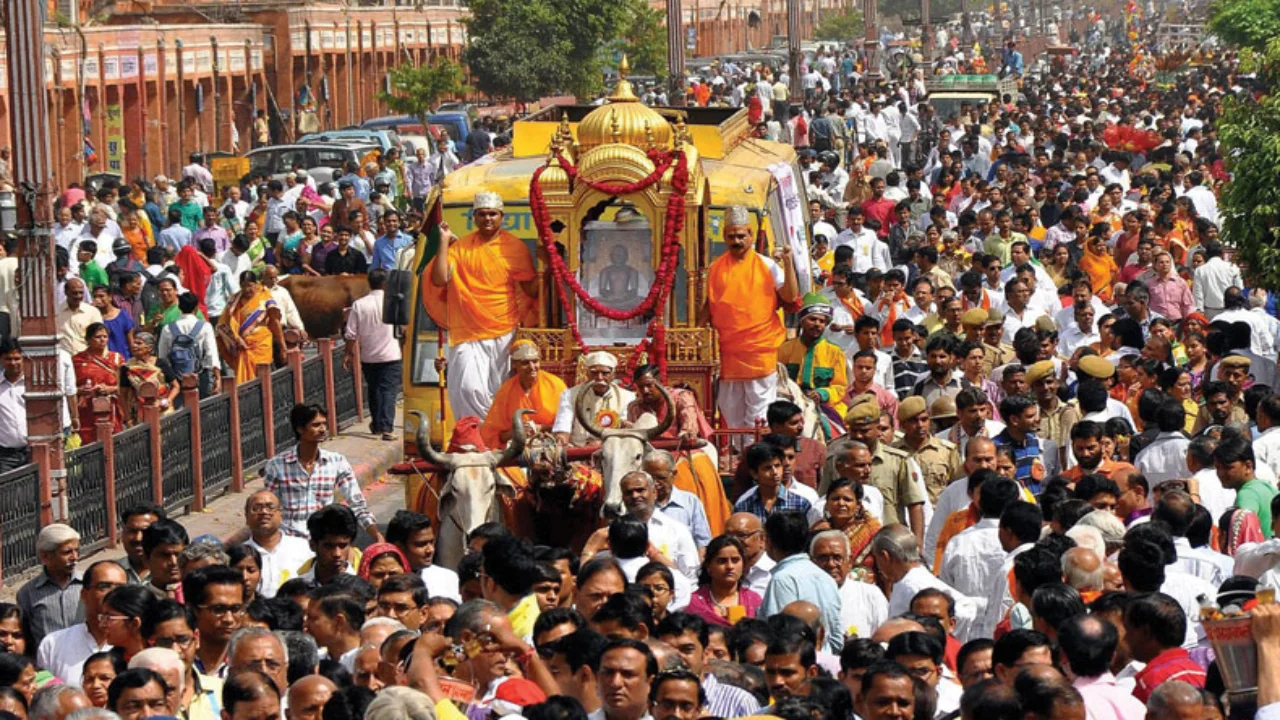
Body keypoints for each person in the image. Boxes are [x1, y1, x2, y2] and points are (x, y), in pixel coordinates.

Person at [424, 191, 537, 421]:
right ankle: (474, 436)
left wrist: (550, 267)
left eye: (492, 214)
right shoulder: (461, 247)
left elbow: (530, 290)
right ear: (474, 217)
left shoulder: (514, 247)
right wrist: (444, 242)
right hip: (467, 331)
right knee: (468, 388)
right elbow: (439, 279)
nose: (488, 219)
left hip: (505, 330)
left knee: (501, 390)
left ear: (501, 217)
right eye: (482, 214)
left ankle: (495, 437)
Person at [705, 204, 800, 428]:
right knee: (730, 412)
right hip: (727, 353)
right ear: (724, 237)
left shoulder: (767, 265)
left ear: (751, 235)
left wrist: (787, 263)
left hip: (759, 352)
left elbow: (790, 295)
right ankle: (739, 457)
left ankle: (754, 457)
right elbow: (706, 308)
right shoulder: (715, 268)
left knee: (758, 414)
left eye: (741, 236)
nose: (736, 241)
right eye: (731, 237)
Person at [261, 404, 382, 542]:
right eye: (316, 425)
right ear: (300, 429)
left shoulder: (336, 462)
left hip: (323, 543)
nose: (323, 429)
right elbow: (268, 507)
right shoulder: (277, 465)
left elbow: (357, 503)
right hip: (289, 541)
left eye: (324, 424)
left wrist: (376, 535)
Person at [759, 510, 842, 652]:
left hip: (797, 664)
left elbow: (779, 637)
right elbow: (836, 638)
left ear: (770, 542)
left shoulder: (782, 579)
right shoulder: (826, 578)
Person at [37, 560, 126, 688]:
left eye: (120, 588)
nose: (113, 593)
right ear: (84, 594)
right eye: (104, 586)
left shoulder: (134, 642)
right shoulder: (53, 644)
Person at [344, 269, 401, 441]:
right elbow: (403, 328)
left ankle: (377, 425)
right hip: (391, 355)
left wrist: (348, 353)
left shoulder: (359, 305)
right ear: (385, 284)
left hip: (368, 356)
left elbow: (351, 334)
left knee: (374, 390)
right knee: (388, 391)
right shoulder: (393, 303)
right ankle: (387, 428)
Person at [777, 294, 849, 428]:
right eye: (813, 319)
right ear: (802, 321)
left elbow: (840, 387)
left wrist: (822, 394)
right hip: (789, 404)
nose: (817, 324)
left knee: (833, 430)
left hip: (823, 406)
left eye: (822, 321)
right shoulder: (785, 349)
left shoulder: (835, 352)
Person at [480, 340, 567, 449]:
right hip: (517, 449)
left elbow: (568, 424)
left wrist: (542, 428)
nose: (532, 367)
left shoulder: (556, 385)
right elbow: (492, 436)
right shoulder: (506, 391)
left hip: (552, 446)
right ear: (515, 364)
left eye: (535, 361)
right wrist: (515, 432)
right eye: (525, 363)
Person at [17, 524, 84, 650]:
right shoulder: (28, 593)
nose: (75, 557)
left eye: (76, 550)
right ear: (45, 556)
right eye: (67, 552)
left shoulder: (89, 584)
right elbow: (26, 638)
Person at [552, 351, 636, 447]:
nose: (599, 378)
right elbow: (563, 424)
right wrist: (562, 438)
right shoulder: (570, 394)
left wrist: (601, 444)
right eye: (594, 373)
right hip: (577, 451)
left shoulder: (627, 396)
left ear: (613, 374)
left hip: (612, 450)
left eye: (605, 373)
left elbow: (624, 430)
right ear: (587, 373)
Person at [242, 490, 314, 599]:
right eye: (256, 508)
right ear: (246, 516)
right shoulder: (240, 554)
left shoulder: (303, 548)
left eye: (270, 507)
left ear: (281, 514)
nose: (264, 512)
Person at [217, 271, 280, 385]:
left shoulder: (264, 296)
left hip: (261, 343)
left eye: (250, 285)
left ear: (256, 284)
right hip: (242, 344)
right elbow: (223, 323)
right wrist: (236, 338)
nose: (247, 289)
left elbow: (275, 320)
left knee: (263, 374)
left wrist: (282, 345)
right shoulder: (234, 301)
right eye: (243, 286)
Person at [685, 535, 761, 627]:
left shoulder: (753, 600)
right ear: (709, 567)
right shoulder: (694, 603)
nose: (730, 566)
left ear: (743, 565)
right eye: (722, 561)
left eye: (735, 560)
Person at [156, 292, 219, 398]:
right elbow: (211, 354)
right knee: (202, 408)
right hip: (201, 376)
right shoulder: (205, 326)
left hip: (177, 378)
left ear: (179, 308)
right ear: (196, 308)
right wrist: (217, 377)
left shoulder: (167, 328)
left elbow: (162, 357)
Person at [72, 323, 124, 442]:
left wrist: (110, 389)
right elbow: (70, 386)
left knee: (112, 440)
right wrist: (81, 390)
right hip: (86, 408)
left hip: (111, 407)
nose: (102, 340)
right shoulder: (78, 360)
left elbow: (124, 387)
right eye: (98, 337)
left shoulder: (116, 358)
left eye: (105, 337)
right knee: (88, 440)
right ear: (88, 339)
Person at [120, 332, 180, 421]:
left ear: (149, 348)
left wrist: (168, 400)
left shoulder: (160, 364)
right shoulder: (128, 367)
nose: (134, 346)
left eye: (139, 343)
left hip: (163, 410)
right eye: (134, 343)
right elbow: (123, 395)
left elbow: (176, 386)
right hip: (141, 412)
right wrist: (128, 419)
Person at [58, 278, 105, 355]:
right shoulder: (56, 312)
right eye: (74, 293)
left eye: (81, 293)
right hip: (64, 358)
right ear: (66, 292)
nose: (78, 296)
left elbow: (100, 337)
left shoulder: (92, 312)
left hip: (86, 359)